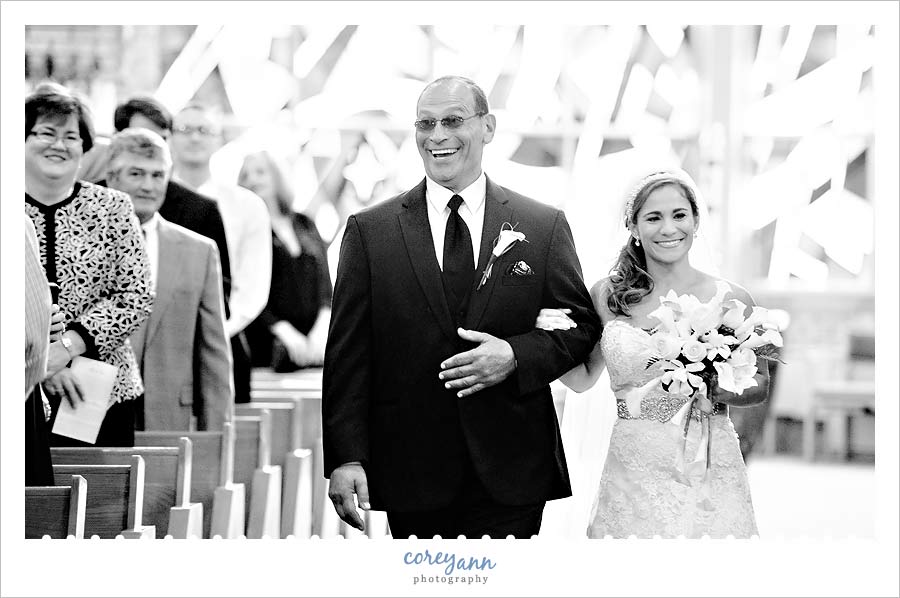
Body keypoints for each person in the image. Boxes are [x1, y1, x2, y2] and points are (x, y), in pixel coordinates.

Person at [322, 76, 601, 539]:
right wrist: (346, 456)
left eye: (452, 121)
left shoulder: (542, 224)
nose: (437, 136)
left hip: (512, 464)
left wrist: (515, 356)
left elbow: (578, 327)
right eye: (425, 124)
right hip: (411, 463)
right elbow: (349, 352)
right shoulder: (371, 231)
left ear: (488, 127)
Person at [536, 167, 767, 538]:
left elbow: (758, 386)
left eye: (679, 215)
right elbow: (581, 379)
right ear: (634, 227)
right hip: (633, 467)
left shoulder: (731, 298)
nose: (668, 228)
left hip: (706, 462)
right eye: (653, 218)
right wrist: (543, 338)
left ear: (695, 220)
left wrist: (705, 377)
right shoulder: (607, 296)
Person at [24, 82, 153, 447]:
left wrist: (67, 347)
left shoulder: (114, 208)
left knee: (102, 499)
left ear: (84, 147)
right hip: (17, 387)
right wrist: (40, 366)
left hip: (101, 391)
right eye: (46, 133)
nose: (59, 144)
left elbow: (136, 294)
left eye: (71, 136)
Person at [106, 127, 233, 431]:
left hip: (168, 414)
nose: (148, 186)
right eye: (136, 174)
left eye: (157, 175)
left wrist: (217, 436)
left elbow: (213, 352)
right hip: (93, 411)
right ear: (112, 178)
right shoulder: (83, 241)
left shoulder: (199, 251)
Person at [83, 96, 233, 309]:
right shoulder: (85, 205)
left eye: (161, 138)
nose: (151, 147)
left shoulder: (200, 210)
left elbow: (217, 297)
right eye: (141, 139)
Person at [169, 104, 272, 403]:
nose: (195, 138)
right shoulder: (154, 196)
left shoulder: (246, 205)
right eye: (185, 130)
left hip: (224, 337)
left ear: (218, 140)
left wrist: (216, 331)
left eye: (205, 130)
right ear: (170, 138)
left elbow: (252, 283)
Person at [238, 150, 332, 370]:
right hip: (268, 350)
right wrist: (284, 332)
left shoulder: (304, 223)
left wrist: (322, 329)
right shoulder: (243, 232)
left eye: (260, 172)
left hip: (315, 348)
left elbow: (326, 285)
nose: (252, 180)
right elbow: (244, 290)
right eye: (245, 175)